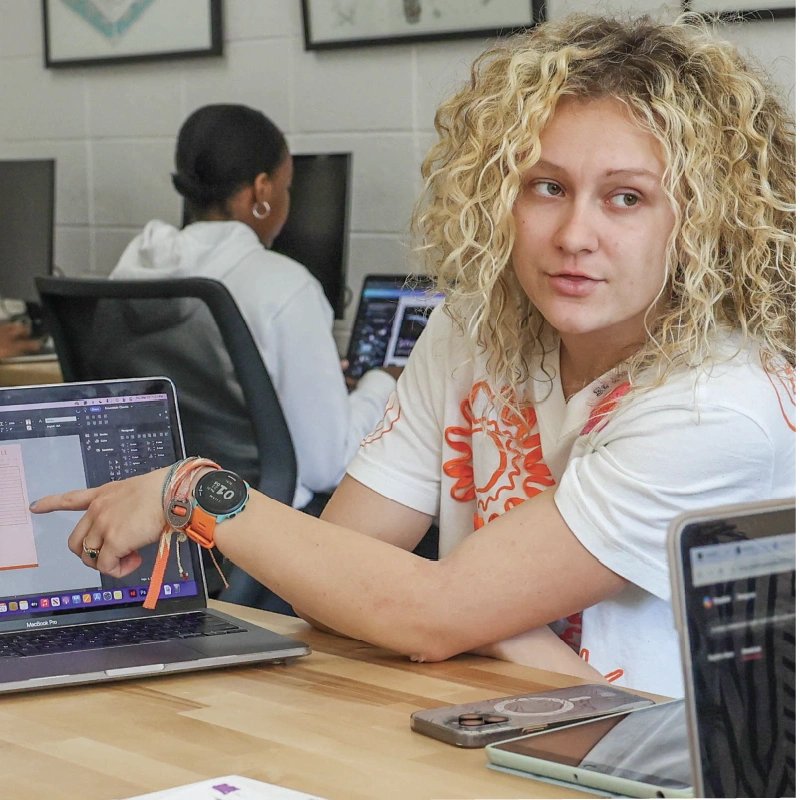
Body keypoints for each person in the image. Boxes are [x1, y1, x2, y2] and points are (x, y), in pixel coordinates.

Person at [32, 14, 795, 697]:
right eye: (546, 187)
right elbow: (335, 573)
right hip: (495, 722)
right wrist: (447, 610)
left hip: (641, 769)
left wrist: (195, 490)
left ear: (701, 221)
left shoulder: (719, 405)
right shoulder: (471, 330)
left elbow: (417, 612)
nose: (574, 236)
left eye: (626, 197)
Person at [109, 104, 397, 513]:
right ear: (261, 190)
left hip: (154, 514)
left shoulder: (131, 269)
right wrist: (381, 384)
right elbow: (325, 467)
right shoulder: (285, 286)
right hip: (251, 528)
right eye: (286, 187)